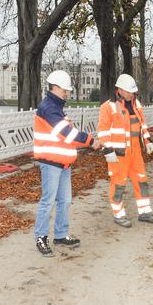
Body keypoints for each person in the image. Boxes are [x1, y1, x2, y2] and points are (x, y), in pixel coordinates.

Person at [33, 70, 100, 257]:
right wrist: (90, 140)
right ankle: (41, 237)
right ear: (54, 88)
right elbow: (68, 135)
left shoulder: (56, 108)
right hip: (51, 163)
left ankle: (61, 234)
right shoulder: (48, 108)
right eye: (65, 90)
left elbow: (67, 135)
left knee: (65, 200)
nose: (67, 93)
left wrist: (86, 140)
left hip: (63, 163)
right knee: (48, 201)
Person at [97, 74, 153, 228]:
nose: (131, 94)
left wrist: (148, 140)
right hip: (118, 153)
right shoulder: (109, 106)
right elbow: (102, 131)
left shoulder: (136, 104)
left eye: (132, 92)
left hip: (135, 152)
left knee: (141, 181)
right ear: (119, 90)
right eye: (128, 91)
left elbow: (142, 126)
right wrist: (107, 150)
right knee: (118, 183)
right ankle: (119, 214)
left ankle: (145, 212)